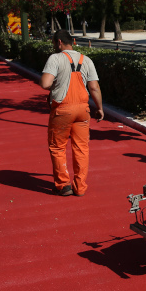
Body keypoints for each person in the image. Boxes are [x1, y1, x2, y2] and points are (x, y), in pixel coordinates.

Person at [40, 29, 104, 196]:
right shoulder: (86, 60)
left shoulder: (55, 58)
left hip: (62, 109)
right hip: (83, 110)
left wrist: (56, 84)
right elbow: (94, 87)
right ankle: (80, 186)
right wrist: (100, 108)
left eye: (54, 43)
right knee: (82, 148)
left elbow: (45, 83)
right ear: (72, 41)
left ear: (59, 42)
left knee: (57, 147)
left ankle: (63, 185)